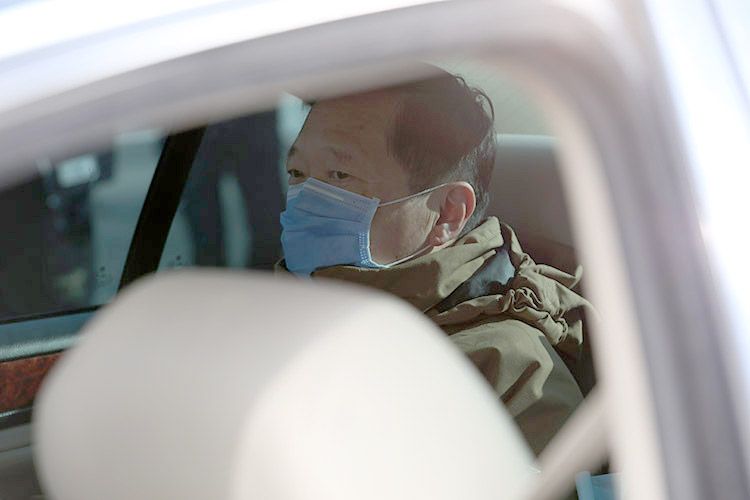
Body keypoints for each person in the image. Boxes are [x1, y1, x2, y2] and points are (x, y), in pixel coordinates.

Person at [278, 69, 593, 455]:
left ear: (446, 214)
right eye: (297, 173)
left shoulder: (511, 372)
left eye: (340, 175)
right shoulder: (272, 308)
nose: (306, 198)